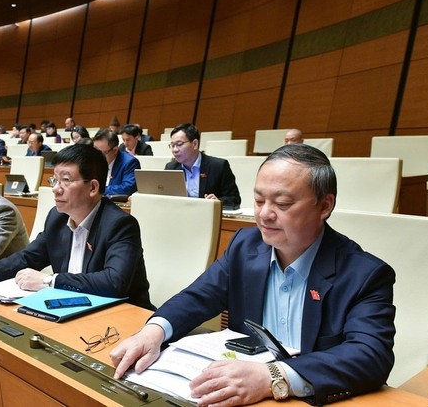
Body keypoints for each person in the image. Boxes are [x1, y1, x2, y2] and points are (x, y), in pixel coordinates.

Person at [110, 144, 397, 405]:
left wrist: (272, 376)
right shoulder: (245, 246)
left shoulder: (364, 274)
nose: (265, 215)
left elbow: (370, 355)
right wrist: (153, 331)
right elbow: (199, 296)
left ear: (324, 206)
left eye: (282, 204)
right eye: (259, 201)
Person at [0, 144, 153, 309]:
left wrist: (50, 282)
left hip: (122, 316)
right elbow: (28, 256)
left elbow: (114, 282)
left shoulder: (120, 224)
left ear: (93, 187)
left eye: (65, 180)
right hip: (70, 310)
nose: (55, 189)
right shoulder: (57, 218)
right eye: (54, 179)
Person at [165, 123, 241, 207]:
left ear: (195, 144)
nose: (175, 150)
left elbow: (234, 199)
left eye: (179, 144)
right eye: (172, 145)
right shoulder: (171, 168)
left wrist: (218, 201)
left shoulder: (218, 166)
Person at [92, 129, 140, 196]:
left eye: (101, 153)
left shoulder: (130, 162)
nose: (96, 156)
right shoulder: (92, 160)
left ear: (115, 150)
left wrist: (98, 189)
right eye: (94, 151)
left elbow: (127, 188)